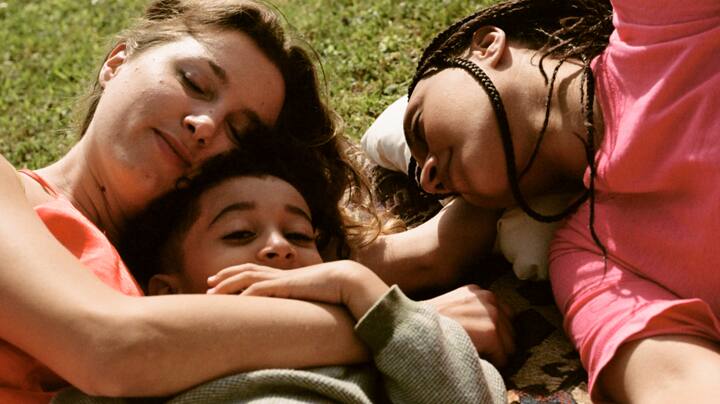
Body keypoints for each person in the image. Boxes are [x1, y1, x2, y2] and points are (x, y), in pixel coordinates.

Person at [0, 0, 389, 401]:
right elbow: (110, 346)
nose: (205, 125)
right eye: (194, 82)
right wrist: (390, 327)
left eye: (237, 132)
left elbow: (387, 261)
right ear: (117, 62)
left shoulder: (185, 276)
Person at [393, 0, 720, 401]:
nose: (430, 180)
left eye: (419, 126)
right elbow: (678, 384)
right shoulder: (588, 260)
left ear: (486, 43)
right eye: (439, 188)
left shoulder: (660, 21)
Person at [52, 143, 506, 403]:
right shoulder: (150, 372)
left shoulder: (384, 354)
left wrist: (364, 291)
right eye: (238, 233)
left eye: (300, 235)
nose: (278, 247)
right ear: (167, 293)